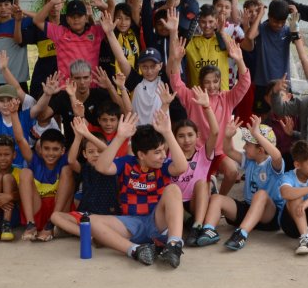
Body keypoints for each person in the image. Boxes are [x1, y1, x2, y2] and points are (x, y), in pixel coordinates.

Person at [88, 111, 189, 268]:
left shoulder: (163, 166)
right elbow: (101, 167)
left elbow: (182, 166)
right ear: (141, 155)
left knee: (173, 189)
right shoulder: (127, 163)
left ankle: (174, 245)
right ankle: (136, 250)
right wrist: (120, 137)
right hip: (131, 224)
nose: (163, 156)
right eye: (157, 152)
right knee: (91, 221)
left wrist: (168, 133)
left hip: (157, 220)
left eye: (163, 150)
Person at [168, 19, 251, 196]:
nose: (212, 86)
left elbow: (244, 83)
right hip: (197, 152)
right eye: (207, 82)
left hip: (219, 151)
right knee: (201, 186)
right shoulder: (193, 96)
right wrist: (176, 60)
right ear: (201, 83)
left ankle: (219, 200)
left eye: (215, 81)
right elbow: (176, 82)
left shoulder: (227, 98)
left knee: (232, 172)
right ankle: (206, 191)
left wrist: (239, 60)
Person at [196, 116, 285, 251]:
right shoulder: (250, 160)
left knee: (261, 194)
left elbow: (277, 155)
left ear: (260, 150)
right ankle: (208, 230)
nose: (244, 146)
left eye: (247, 144)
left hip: (269, 216)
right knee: (216, 198)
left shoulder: (273, 164)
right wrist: (227, 137)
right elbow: (229, 151)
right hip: (249, 208)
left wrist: (256, 134)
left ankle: (241, 233)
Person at [49, 117, 119, 237]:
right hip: (85, 214)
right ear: (84, 154)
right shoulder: (85, 168)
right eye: (91, 152)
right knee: (55, 216)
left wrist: (87, 134)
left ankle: (81, 232)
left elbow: (108, 150)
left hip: (107, 216)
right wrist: (78, 137)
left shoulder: (111, 168)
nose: (96, 154)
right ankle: (88, 235)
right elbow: (71, 161)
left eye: (99, 151)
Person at [168, 87, 219, 241]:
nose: (187, 140)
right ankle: (185, 225)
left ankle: (197, 226)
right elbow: (165, 131)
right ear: (174, 138)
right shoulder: (169, 153)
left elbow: (215, 132)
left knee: (203, 183)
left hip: (196, 203)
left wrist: (207, 107)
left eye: (190, 135)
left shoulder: (203, 153)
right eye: (181, 136)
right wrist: (165, 106)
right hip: (175, 203)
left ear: (197, 136)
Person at [11, 117, 68, 241]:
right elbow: (20, 140)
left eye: (55, 149)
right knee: (25, 172)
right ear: (40, 149)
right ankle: (30, 224)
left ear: (63, 150)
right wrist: (13, 113)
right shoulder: (35, 161)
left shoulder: (65, 161)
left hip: (58, 211)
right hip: (38, 209)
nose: (50, 153)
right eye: (46, 148)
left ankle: (51, 224)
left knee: (68, 171)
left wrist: (79, 118)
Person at [33, 0, 106, 86]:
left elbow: (111, 17)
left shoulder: (96, 32)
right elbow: (37, 20)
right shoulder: (59, 32)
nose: (76, 19)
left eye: (79, 16)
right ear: (67, 19)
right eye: (72, 16)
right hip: (66, 90)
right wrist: (51, 3)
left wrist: (103, 7)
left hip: (91, 89)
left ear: (85, 17)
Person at [242, 0, 292, 114]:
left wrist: (295, 22)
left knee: (283, 116)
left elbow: (301, 43)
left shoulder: (288, 31)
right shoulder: (262, 29)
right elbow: (250, 36)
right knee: (261, 117)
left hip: (283, 83)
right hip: (262, 82)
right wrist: (260, 14)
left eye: (282, 22)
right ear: (269, 16)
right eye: (275, 21)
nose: (279, 25)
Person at [184, 4, 230, 89]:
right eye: (203, 22)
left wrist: (222, 33)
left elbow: (234, 54)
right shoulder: (191, 42)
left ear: (216, 21)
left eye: (211, 21)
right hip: (198, 95)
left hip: (221, 95)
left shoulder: (224, 38)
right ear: (198, 22)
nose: (207, 26)